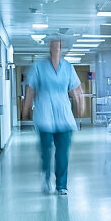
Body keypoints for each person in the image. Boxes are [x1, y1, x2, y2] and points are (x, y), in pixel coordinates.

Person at [21, 36, 85, 196]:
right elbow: (31, 89)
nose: (56, 46)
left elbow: (77, 90)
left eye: (59, 44)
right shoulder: (38, 66)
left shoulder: (68, 67)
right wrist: (26, 108)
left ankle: (61, 185)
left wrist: (79, 106)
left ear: (62, 46)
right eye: (53, 43)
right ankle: (46, 176)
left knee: (62, 152)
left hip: (63, 115)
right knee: (46, 150)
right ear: (49, 46)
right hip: (44, 114)